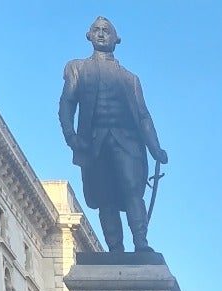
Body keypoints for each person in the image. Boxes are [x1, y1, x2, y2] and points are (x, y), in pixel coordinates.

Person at [59, 17, 168, 254]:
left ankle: (141, 242)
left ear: (116, 39)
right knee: (104, 197)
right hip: (94, 143)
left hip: (127, 142)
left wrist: (155, 148)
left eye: (106, 31)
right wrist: (71, 135)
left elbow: (143, 116)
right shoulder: (76, 68)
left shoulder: (130, 79)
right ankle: (115, 249)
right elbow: (66, 104)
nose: (101, 34)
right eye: (96, 30)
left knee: (132, 189)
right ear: (88, 35)